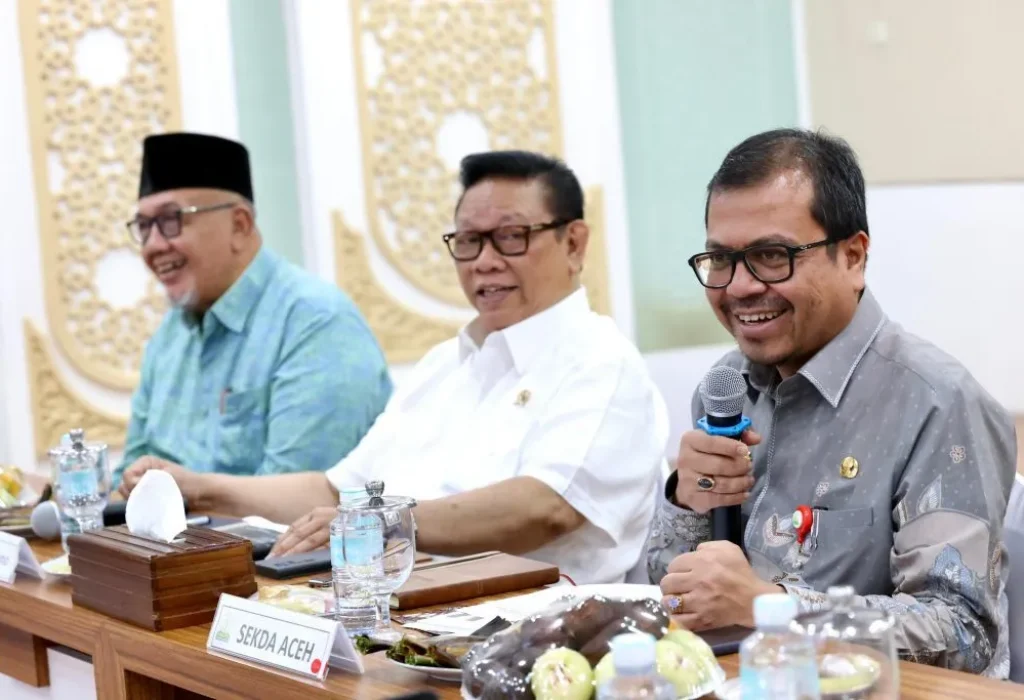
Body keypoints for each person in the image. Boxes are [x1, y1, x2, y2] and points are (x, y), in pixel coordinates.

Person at [125, 150, 669, 585]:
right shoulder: (445, 366)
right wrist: (198, 488)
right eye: (469, 242)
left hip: (536, 643)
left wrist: (383, 522)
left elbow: (546, 506)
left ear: (573, 243)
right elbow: (336, 494)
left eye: (511, 237)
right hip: (399, 620)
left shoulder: (602, 360)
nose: (484, 261)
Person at [647, 128, 1016, 677]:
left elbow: (960, 631)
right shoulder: (726, 386)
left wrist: (771, 608)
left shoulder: (938, 402)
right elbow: (677, 588)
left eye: (772, 256)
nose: (740, 287)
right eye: (721, 259)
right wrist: (685, 499)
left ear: (854, 256)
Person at [115, 132, 392, 490]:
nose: (153, 245)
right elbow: (131, 480)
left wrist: (195, 498)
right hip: (178, 545)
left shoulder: (316, 323)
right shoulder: (170, 337)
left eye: (171, 221)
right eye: (143, 226)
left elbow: (298, 507)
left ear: (240, 225)